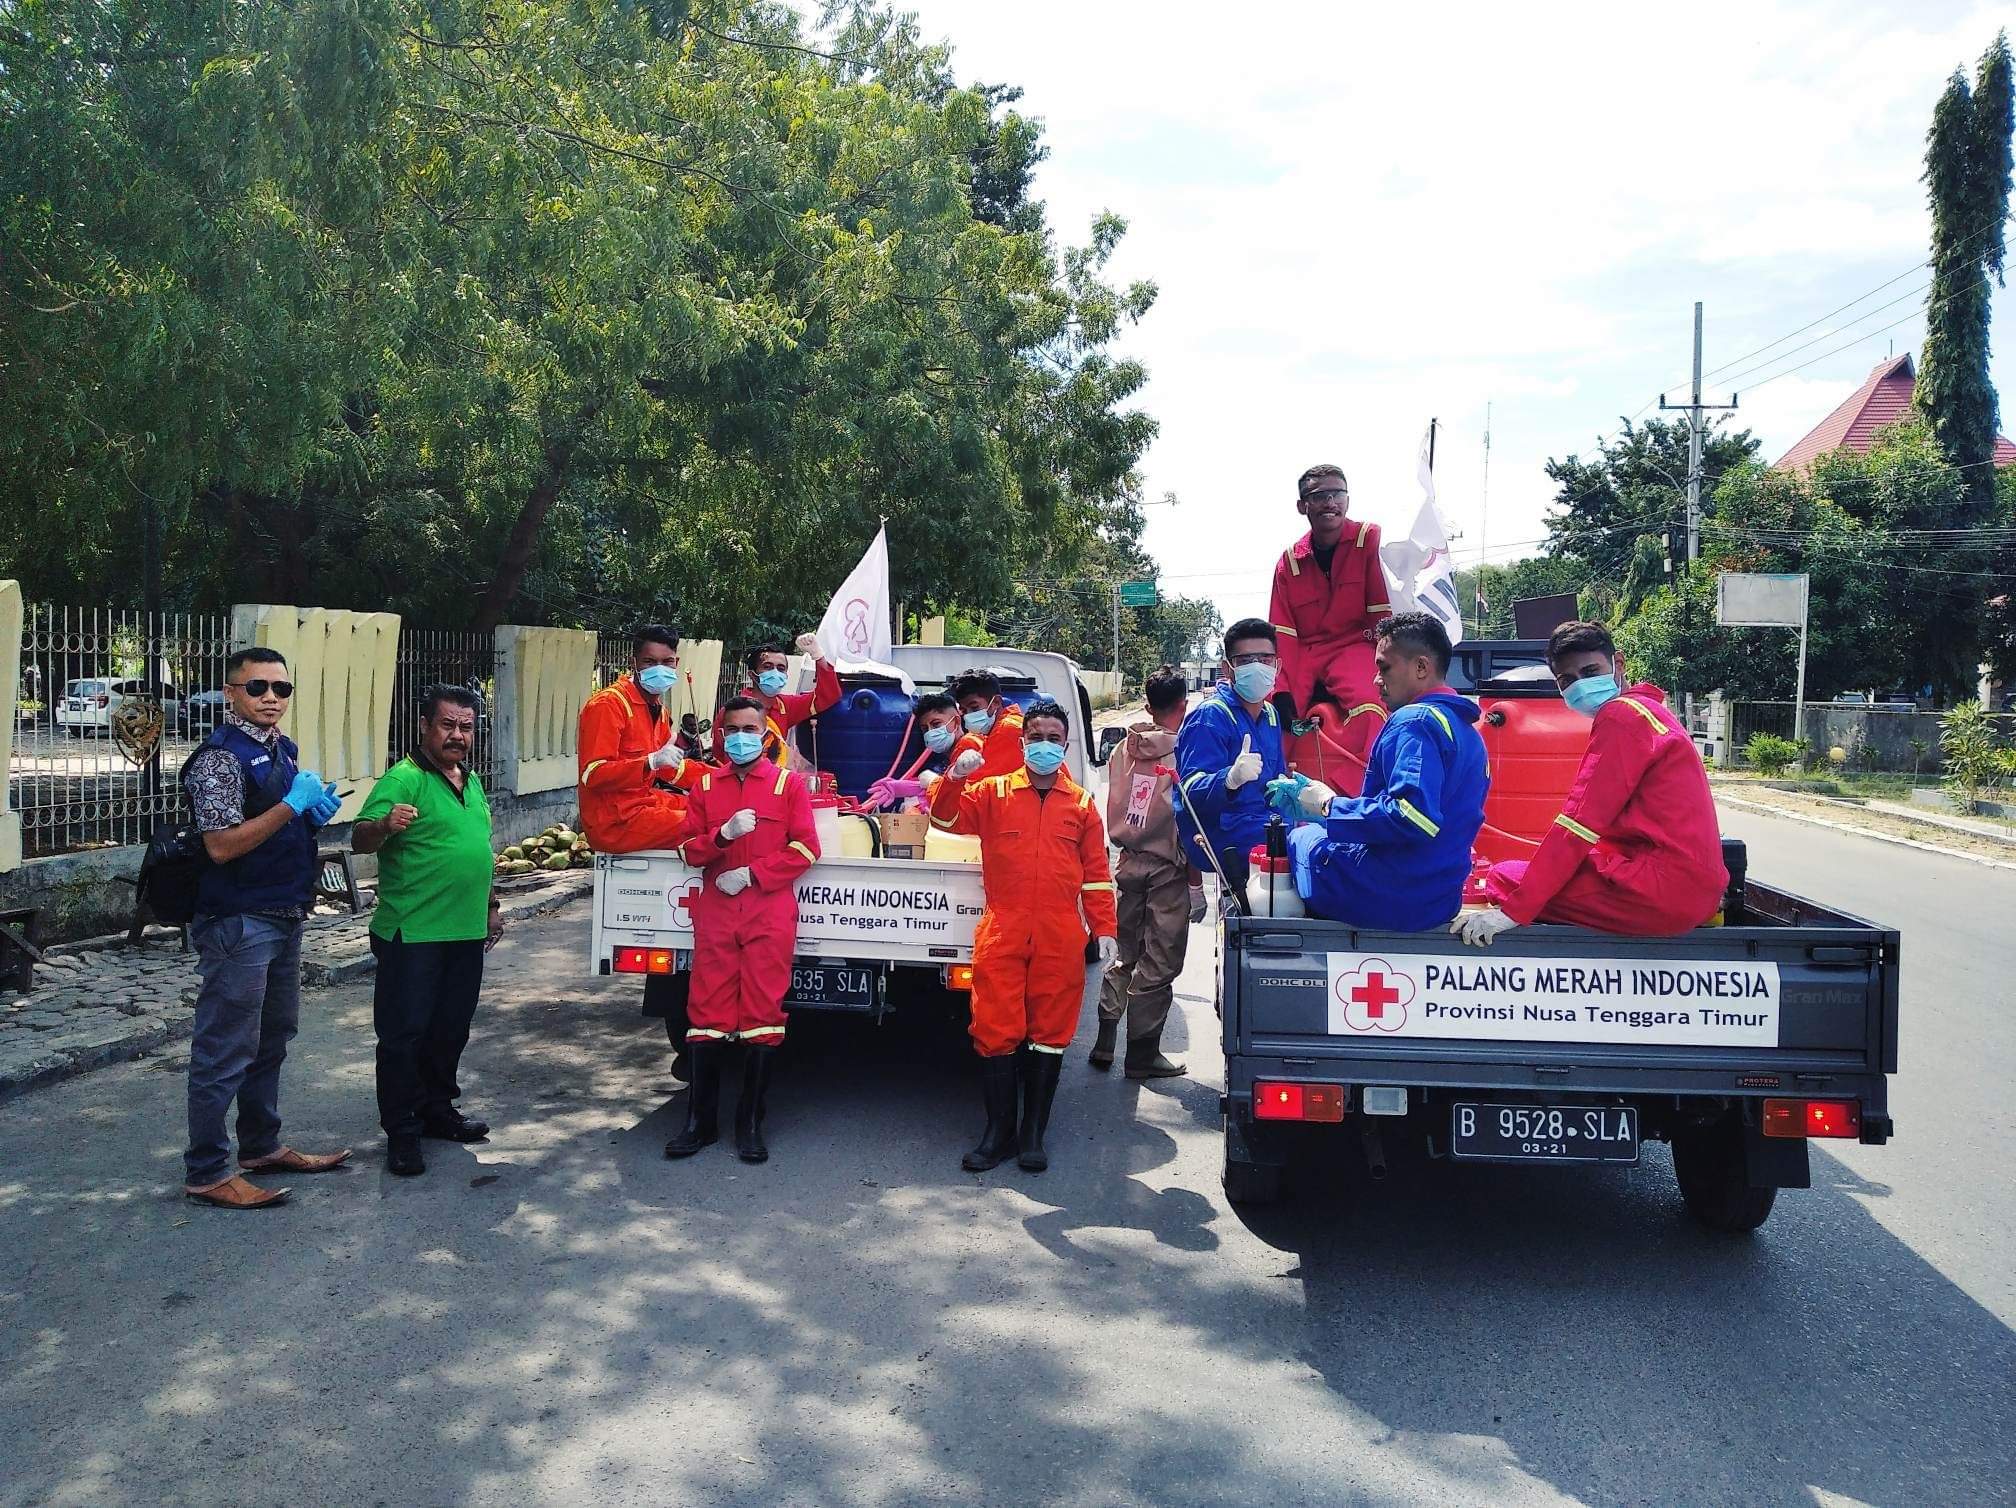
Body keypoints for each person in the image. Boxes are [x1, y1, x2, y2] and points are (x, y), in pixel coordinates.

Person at [179, 648, 351, 1208]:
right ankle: (207, 1171)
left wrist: (309, 810)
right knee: (224, 1049)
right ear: (231, 693)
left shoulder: (281, 749)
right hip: (238, 920)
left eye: (282, 688)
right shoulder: (218, 760)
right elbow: (222, 845)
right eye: (257, 688)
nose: (271, 697)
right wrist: (289, 806)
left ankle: (260, 1146)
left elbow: (279, 821)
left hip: (283, 912)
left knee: (272, 1038)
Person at [1455, 621, 1728, 945]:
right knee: (1537, 873)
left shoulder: (1621, 716)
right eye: (1568, 680)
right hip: (1692, 886)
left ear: (1619, 663)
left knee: (1505, 877)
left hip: (1661, 892)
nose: (1580, 685)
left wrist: (1512, 912)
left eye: (1590, 671)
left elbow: (1579, 824)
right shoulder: (1652, 711)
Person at [934, 699, 1117, 1173]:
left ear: (1066, 744)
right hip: (1004, 927)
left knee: (1050, 1034)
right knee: (995, 1030)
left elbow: (1097, 874)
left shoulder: (1080, 803)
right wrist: (954, 778)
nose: (1044, 745)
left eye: (1054, 738)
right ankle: (998, 1135)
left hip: (1060, 932)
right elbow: (945, 821)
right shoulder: (991, 791)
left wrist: (1105, 928)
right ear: (1021, 743)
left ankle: (1033, 1134)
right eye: (1036, 737)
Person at [352, 685, 504, 1178]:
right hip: (412, 932)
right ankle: (401, 1131)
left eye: (465, 727)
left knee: (450, 1030)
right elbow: (359, 836)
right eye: (447, 725)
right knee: (403, 1035)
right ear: (424, 726)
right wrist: (386, 825)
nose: (457, 735)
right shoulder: (405, 778)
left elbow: (479, 847)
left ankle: (437, 1109)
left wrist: (490, 907)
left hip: (464, 932)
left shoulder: (470, 779)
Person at [664, 697, 821, 1164]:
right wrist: (723, 837)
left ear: (766, 733)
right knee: (705, 1012)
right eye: (731, 728)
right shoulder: (705, 786)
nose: (740, 736)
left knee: (762, 1014)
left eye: (749, 728)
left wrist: (754, 873)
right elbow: (688, 850)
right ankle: (699, 1123)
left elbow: (807, 849)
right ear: (719, 733)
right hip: (715, 910)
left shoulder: (787, 785)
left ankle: (750, 1124)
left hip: (767, 909)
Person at [1274, 612, 1488, 930]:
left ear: (1421, 667)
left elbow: (1414, 816)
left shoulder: (1415, 722)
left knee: (1301, 836)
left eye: (1383, 667)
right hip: (1439, 899)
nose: (1375, 680)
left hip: (1391, 895)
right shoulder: (1466, 730)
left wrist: (1327, 806)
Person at [577, 625, 711, 1077]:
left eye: (668, 662)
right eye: (650, 661)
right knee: (709, 828)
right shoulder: (607, 705)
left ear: (677, 664)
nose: (660, 669)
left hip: (644, 806)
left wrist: (719, 781)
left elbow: (674, 771)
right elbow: (593, 775)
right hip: (617, 822)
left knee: (706, 805)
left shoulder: (657, 710)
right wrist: (647, 764)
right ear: (634, 661)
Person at [1093, 665, 1192, 1078]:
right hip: (1168, 866)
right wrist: (1196, 879)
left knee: (1126, 955)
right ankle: (1142, 1054)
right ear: (1184, 706)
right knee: (1160, 960)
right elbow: (1188, 816)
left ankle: (1104, 1040)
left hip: (1128, 861)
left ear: (1148, 705)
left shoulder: (1123, 748)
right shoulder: (1183, 751)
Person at [1268, 463, 1395, 771]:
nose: (1330, 502)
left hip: (1355, 644)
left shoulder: (1370, 540)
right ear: (1303, 506)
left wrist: (1390, 667)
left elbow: (1384, 619)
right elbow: (1282, 636)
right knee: (1274, 719)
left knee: (1371, 705)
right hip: (1304, 653)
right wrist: (1280, 692)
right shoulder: (1289, 564)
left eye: (1338, 493)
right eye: (1320, 495)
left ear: (1347, 500)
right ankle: (1270, 793)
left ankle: (1368, 790)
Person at [1174, 619, 1290, 900]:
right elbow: (1189, 792)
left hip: (1269, 828)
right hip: (1234, 838)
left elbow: (1276, 777)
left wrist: (1294, 791)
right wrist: (1228, 779)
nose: (1257, 666)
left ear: (1278, 666)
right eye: (1246, 660)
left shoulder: (1271, 714)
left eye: (1265, 658)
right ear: (1228, 668)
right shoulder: (1210, 717)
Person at [714, 633, 842, 765]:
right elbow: (719, 755)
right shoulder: (732, 712)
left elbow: (828, 695)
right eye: (767, 667)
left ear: (786, 675)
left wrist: (818, 656)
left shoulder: (786, 706)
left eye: (781, 668)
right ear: (752, 675)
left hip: (776, 781)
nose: (775, 673)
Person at [927, 668, 1026, 829]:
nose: (969, 716)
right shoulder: (1006, 726)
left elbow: (971, 791)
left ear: (995, 703)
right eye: (964, 711)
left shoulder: (1008, 730)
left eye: (974, 707)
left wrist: (933, 783)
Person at [865, 692, 960, 811]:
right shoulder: (951, 755)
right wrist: (907, 787)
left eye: (936, 724)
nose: (930, 733)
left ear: (956, 721)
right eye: (925, 729)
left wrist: (932, 783)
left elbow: (964, 797)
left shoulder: (970, 748)